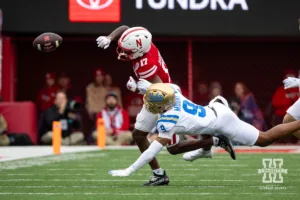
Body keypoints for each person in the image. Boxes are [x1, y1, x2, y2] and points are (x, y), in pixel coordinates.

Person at [108, 83, 300, 177]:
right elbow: (155, 89)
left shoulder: (169, 120)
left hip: (223, 121)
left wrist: (129, 170)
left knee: (264, 139)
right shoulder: (173, 91)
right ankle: (206, 149)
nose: (149, 106)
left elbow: (151, 151)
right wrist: (140, 88)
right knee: (199, 130)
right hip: (213, 109)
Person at [96, 26, 174, 185]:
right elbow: (125, 28)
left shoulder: (146, 65)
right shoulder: (144, 44)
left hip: (165, 101)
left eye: (128, 51)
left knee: (174, 148)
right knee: (138, 135)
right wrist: (110, 38)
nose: (123, 53)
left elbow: (161, 92)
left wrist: (137, 89)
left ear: (139, 50)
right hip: (155, 97)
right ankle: (158, 174)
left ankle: (212, 141)